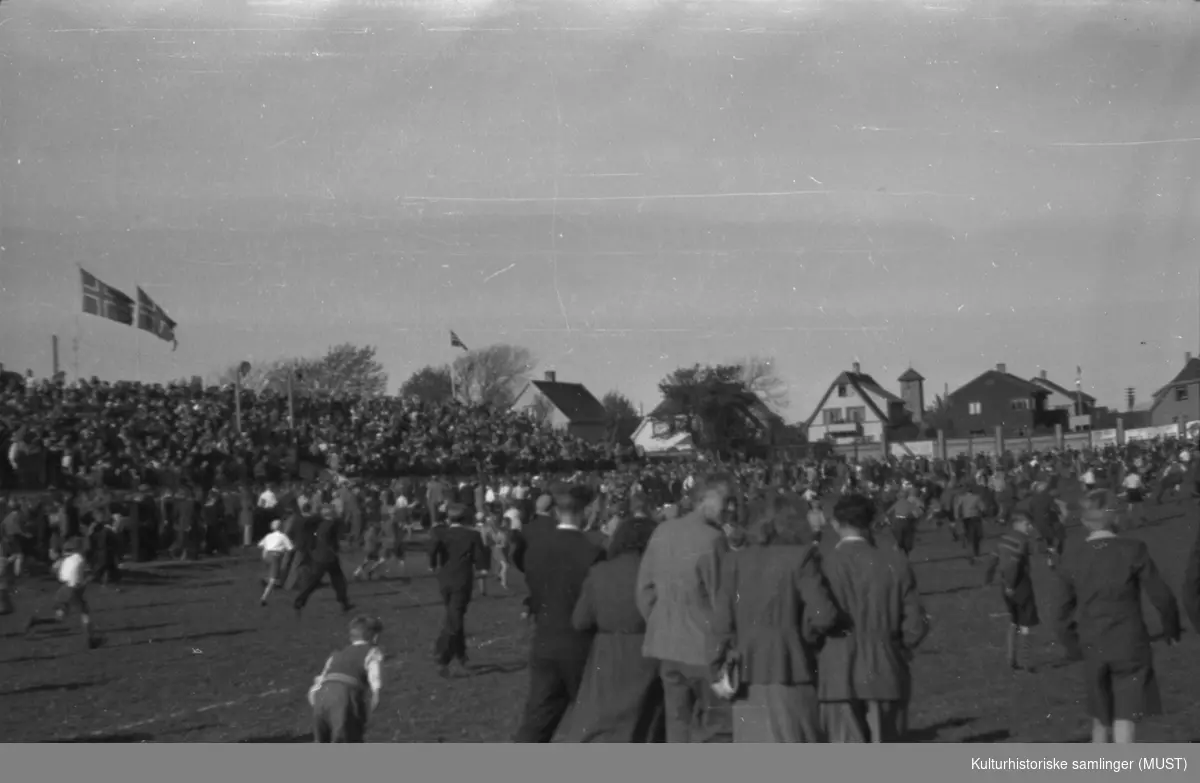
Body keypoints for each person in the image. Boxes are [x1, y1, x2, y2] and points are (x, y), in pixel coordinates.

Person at [709, 495, 838, 742]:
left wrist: (716, 668)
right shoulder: (799, 557)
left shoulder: (734, 562)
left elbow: (721, 624)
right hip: (792, 667)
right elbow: (824, 616)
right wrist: (803, 634)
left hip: (746, 673)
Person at [1054, 506, 1181, 744]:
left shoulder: (1072, 556)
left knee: (1100, 715)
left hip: (1093, 640)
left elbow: (1061, 611)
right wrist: (1171, 628)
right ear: (1114, 521)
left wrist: (1071, 644)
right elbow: (1162, 596)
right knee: (1126, 713)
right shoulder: (1133, 549)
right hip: (1129, 639)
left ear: (1085, 523)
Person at [818, 494, 929, 743]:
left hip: (836, 673)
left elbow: (813, 620)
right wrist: (901, 647)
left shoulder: (823, 565)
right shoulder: (894, 561)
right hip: (884, 667)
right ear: (871, 522)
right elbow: (915, 624)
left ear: (835, 524)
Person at [636, 472, 735, 743]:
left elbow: (645, 590)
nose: (730, 508)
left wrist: (660, 622)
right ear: (703, 500)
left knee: (677, 722)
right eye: (725, 501)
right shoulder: (712, 540)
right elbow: (722, 599)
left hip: (667, 644)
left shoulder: (662, 531)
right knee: (716, 726)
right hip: (704, 648)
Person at [514, 483, 606, 743]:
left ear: (556, 513)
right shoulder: (592, 552)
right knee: (590, 716)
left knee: (538, 717)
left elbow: (533, 585)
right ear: (584, 513)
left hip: (545, 636)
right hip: (580, 642)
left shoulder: (536, 549)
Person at [563, 515, 664, 743]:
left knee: (600, 720)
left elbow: (580, 620)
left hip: (608, 652)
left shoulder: (601, 572)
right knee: (646, 721)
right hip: (647, 652)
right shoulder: (659, 573)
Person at [429, 503, 489, 678]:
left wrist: (433, 564)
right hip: (461, 579)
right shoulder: (472, 535)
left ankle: (461, 654)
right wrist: (482, 568)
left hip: (444, 578)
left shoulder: (442, 533)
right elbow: (479, 556)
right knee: (454, 618)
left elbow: (433, 548)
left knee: (455, 615)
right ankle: (442, 656)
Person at [308, 615, 385, 743]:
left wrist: (315, 698)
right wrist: (376, 692)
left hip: (321, 695)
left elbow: (321, 678)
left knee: (322, 738)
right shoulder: (372, 651)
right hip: (345, 695)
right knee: (346, 736)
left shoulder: (336, 655)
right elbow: (374, 671)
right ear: (375, 637)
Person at [24, 537, 104, 649]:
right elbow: (79, 579)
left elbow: (62, 576)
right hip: (73, 590)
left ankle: (36, 621)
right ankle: (91, 640)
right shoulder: (81, 559)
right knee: (85, 613)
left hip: (63, 589)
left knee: (59, 618)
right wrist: (88, 579)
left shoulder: (67, 560)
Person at [993, 512, 1039, 672]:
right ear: (1017, 523)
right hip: (1020, 584)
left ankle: (1011, 658)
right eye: (1027, 524)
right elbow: (1013, 565)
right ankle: (1027, 662)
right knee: (1026, 623)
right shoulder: (1021, 540)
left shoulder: (1003, 538)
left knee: (1014, 621)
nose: (1030, 528)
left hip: (1005, 584)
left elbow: (994, 558)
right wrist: (1012, 584)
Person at [293, 504, 353, 617]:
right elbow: (325, 539)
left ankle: (344, 603)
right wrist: (334, 549)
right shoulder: (329, 525)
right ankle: (299, 602)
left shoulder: (321, 523)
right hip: (326, 557)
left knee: (337, 580)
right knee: (317, 581)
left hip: (323, 556)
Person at [257, 518, 294, 606]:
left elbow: (260, 545)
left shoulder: (268, 536)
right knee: (273, 579)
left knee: (272, 573)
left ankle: (268, 581)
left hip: (267, 556)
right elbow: (290, 548)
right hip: (275, 556)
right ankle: (264, 597)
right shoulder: (283, 536)